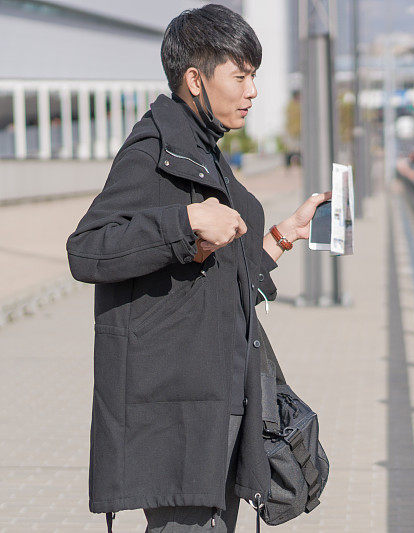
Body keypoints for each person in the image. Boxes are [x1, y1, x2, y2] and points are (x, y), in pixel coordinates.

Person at [66, 5, 330, 531]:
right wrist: (185, 223)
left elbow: (220, 274)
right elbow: (87, 249)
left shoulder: (203, 151)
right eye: (241, 75)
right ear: (195, 79)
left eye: (253, 75)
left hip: (216, 405)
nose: (252, 90)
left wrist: (281, 236)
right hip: (173, 419)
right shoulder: (156, 149)